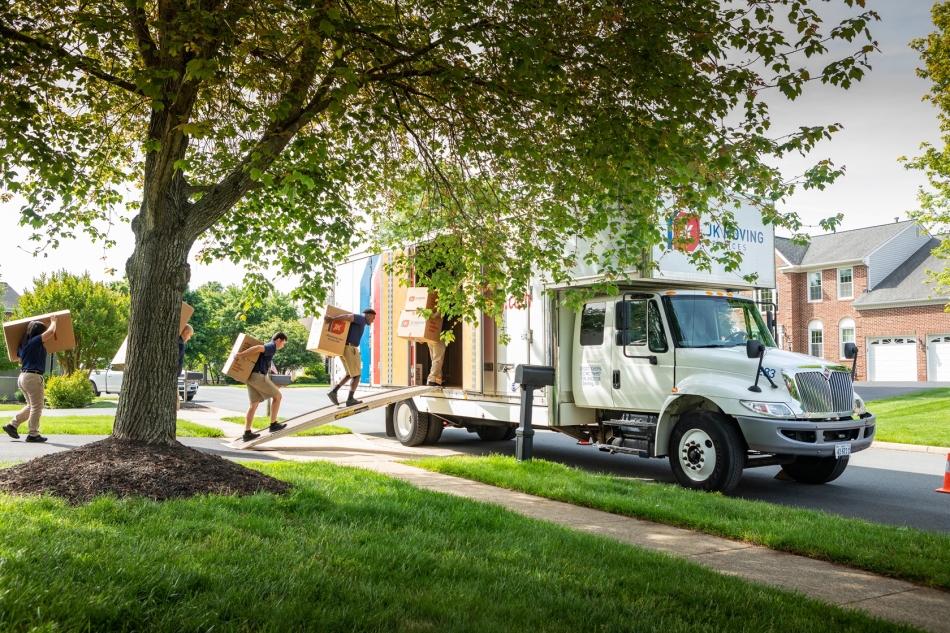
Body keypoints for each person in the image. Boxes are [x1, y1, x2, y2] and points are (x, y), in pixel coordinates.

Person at [3, 315, 58, 443]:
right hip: (33, 376)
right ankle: (33, 434)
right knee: (37, 407)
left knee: (31, 405)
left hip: (23, 376)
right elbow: (51, 332)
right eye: (42, 332)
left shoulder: (23, 345)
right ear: (38, 333)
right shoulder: (34, 341)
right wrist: (54, 321)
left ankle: (12, 425)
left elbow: (21, 361)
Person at [238, 332, 289, 442]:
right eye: (283, 343)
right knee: (278, 397)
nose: (282, 346)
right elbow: (257, 347)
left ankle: (247, 433)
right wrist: (241, 355)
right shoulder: (272, 346)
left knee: (253, 405)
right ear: (278, 340)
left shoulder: (269, 348)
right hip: (258, 376)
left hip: (250, 376)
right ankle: (273, 424)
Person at [325, 308, 376, 407]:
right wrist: (332, 319)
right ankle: (350, 399)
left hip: (344, 348)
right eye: (373, 318)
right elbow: (348, 317)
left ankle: (334, 392)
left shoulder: (362, 322)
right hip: (350, 348)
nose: (373, 321)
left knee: (349, 374)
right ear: (368, 315)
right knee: (357, 375)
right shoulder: (361, 318)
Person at [425, 317, 453, 387]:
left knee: (435, 360)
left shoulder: (430, 309)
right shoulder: (442, 308)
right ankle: (431, 379)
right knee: (438, 359)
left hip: (430, 336)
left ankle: (437, 380)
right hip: (439, 336)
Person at [176, 324, 194, 411]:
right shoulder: (180, 344)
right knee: (176, 404)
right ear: (185, 332)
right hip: (173, 377)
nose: (189, 338)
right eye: (190, 335)